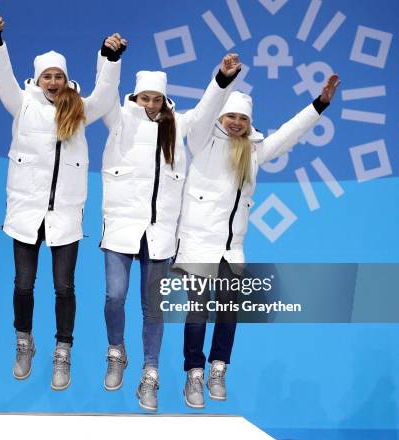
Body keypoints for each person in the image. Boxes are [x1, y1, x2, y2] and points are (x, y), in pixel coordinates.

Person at [175, 75, 341, 409]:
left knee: (228, 312)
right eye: (230, 117)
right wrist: (221, 81)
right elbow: (205, 111)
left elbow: (289, 134)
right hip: (197, 243)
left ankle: (218, 369)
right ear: (221, 117)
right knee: (197, 312)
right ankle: (193, 373)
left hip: (231, 248)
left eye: (242, 118)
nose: (235, 123)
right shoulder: (201, 141)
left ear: (249, 122)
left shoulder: (254, 150)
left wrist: (319, 104)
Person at [0, 11, 124, 390]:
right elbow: (2, 76)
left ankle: (63, 351)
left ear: (65, 79)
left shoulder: (79, 111)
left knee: (64, 287)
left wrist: (109, 58)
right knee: (24, 285)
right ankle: (23, 342)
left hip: (64, 216)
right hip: (26, 214)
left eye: (59, 76)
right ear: (38, 79)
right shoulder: (22, 104)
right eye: (47, 76)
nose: (54, 82)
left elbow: (107, 95)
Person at [98, 55, 241, 411]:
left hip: (159, 233)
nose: (150, 104)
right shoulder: (118, 119)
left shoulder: (178, 125)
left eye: (156, 99)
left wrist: (222, 78)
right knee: (115, 295)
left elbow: (209, 108)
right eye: (144, 97)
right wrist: (110, 58)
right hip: (121, 227)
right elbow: (105, 91)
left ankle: (150, 374)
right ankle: (116, 350)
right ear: (134, 98)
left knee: (154, 309)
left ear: (164, 101)